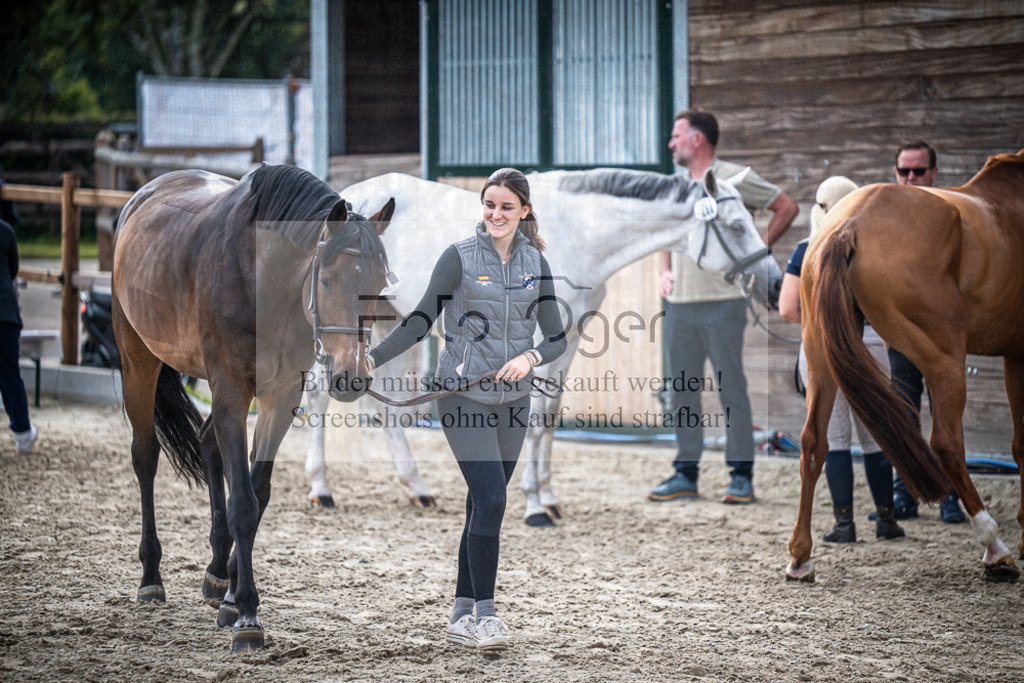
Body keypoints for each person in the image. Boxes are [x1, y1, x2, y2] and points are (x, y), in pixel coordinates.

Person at [366, 168, 566, 651]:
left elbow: (556, 336)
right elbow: (418, 323)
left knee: (482, 505)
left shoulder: (535, 263)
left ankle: (459, 613)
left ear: (524, 211)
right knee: (494, 500)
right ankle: (486, 616)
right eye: (489, 204)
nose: (496, 214)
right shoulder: (457, 257)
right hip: (461, 396)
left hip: (515, 401)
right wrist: (370, 360)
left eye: (506, 206)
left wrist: (529, 356)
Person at [648, 109, 798, 504]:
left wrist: (756, 250)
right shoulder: (675, 186)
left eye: (676, 135)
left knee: (731, 388)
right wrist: (664, 271)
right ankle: (685, 472)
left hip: (725, 301)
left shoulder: (737, 178)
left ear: (697, 140)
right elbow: (666, 231)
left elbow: (787, 206)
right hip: (680, 304)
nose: (671, 143)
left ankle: (742, 475)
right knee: (683, 390)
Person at [778, 176, 904, 542]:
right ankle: (886, 520)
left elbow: (787, 307)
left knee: (833, 438)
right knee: (876, 434)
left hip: (823, 345)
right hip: (871, 342)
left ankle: (844, 525)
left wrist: (818, 322)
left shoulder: (807, 248)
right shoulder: (876, 248)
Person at [874, 142, 965, 524]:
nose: (910, 178)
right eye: (904, 171)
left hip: (943, 338)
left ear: (934, 173)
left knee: (948, 415)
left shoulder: (951, 216)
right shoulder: (884, 222)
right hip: (903, 336)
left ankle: (950, 494)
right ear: (894, 173)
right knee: (904, 414)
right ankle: (906, 492)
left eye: (918, 171)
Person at [0, 185, 38, 455]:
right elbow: (13, 271)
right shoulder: (5, 232)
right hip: (4, 314)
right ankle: (23, 434)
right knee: (10, 375)